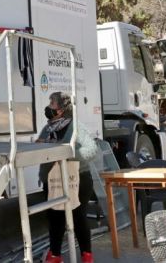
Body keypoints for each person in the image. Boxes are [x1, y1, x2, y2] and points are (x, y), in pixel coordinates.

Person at [37, 92, 96, 263]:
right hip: (54, 181)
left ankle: (87, 255)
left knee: (78, 217)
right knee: (55, 218)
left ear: (62, 109)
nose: (49, 107)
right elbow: (40, 148)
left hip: (78, 180)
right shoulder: (48, 128)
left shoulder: (77, 127)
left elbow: (92, 150)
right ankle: (55, 255)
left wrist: (66, 154)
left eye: (52, 104)